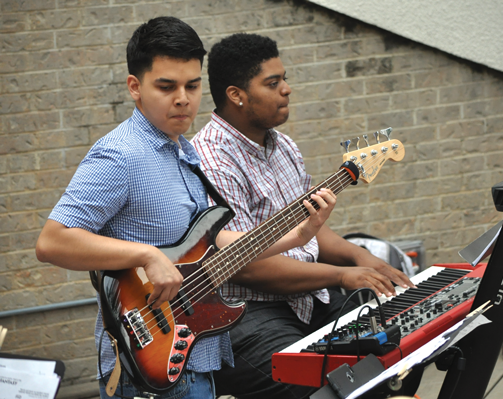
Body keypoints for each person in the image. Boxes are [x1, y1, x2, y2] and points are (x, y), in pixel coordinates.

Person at [35, 18, 336, 399]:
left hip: (193, 358)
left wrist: (294, 236)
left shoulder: (182, 149)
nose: (183, 98)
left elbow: (208, 242)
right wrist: (146, 256)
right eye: (166, 86)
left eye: (192, 86)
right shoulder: (120, 155)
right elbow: (52, 242)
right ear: (135, 87)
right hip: (145, 368)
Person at [190, 33, 415, 399]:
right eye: (273, 83)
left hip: (308, 298)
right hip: (247, 314)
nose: (287, 90)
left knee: (396, 343)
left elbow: (307, 228)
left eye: (285, 79)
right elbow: (247, 266)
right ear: (236, 95)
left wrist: (361, 257)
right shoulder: (212, 160)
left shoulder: (284, 146)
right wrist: (342, 274)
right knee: (326, 385)